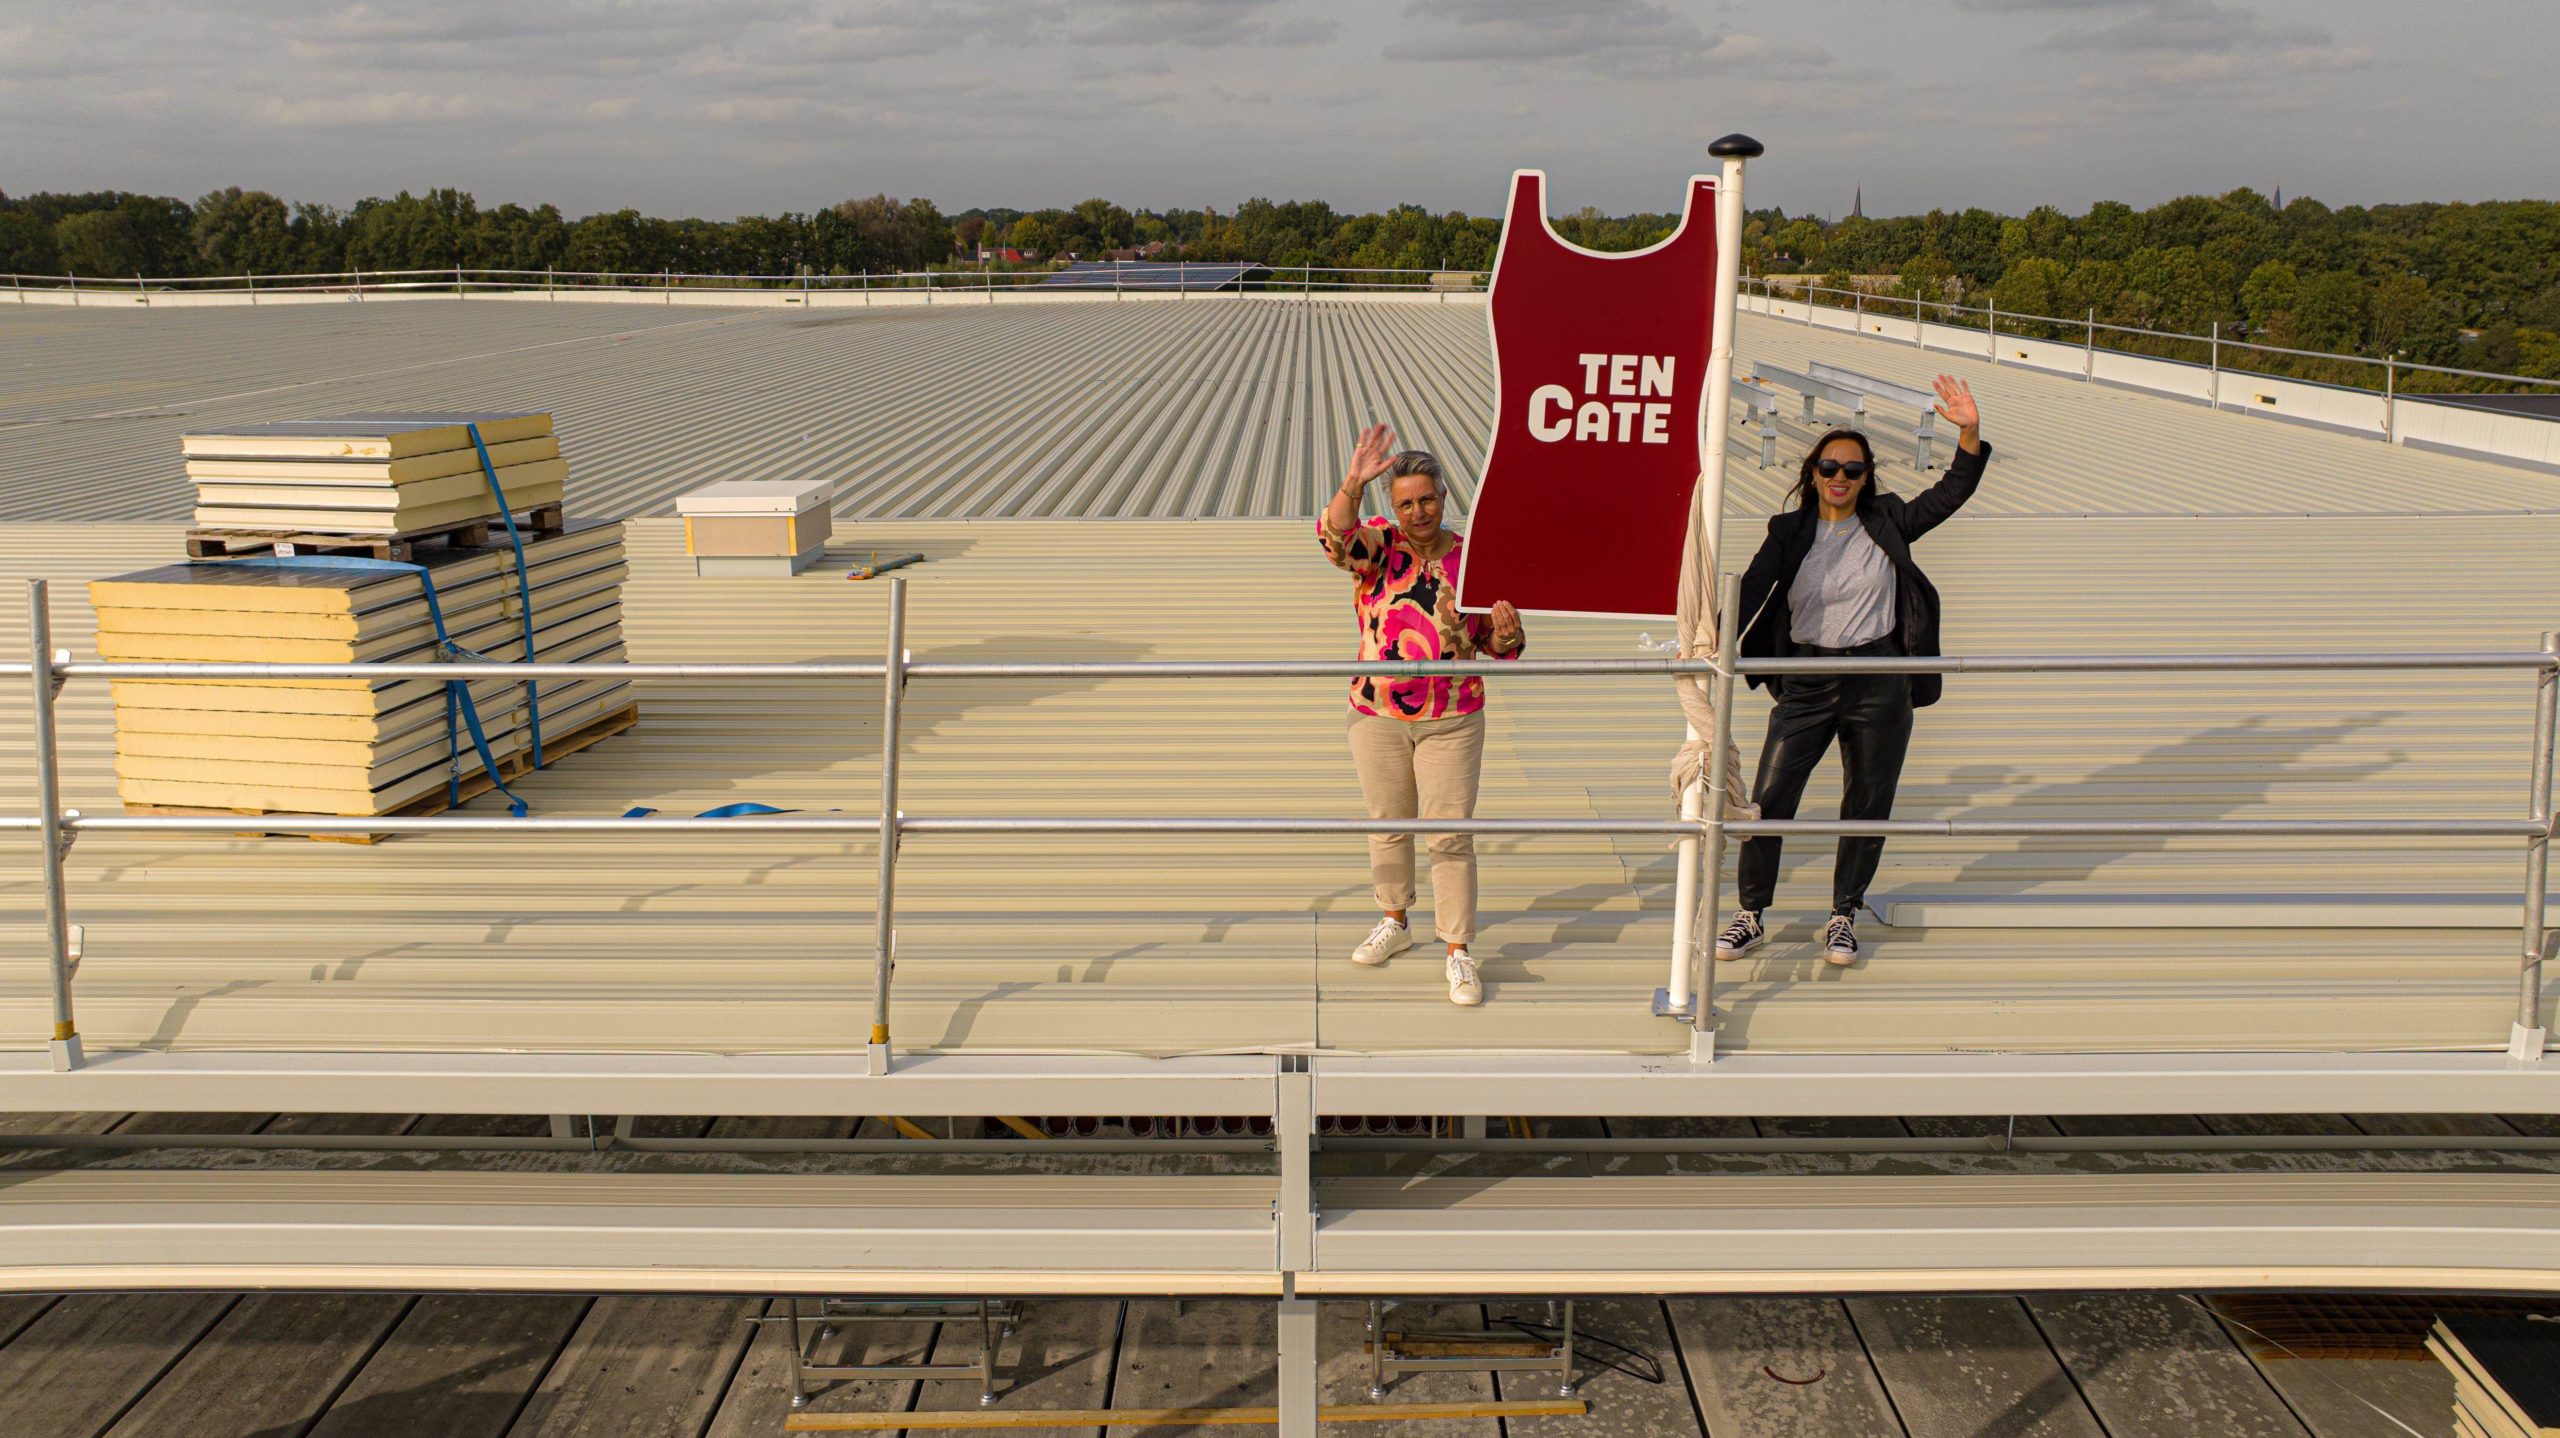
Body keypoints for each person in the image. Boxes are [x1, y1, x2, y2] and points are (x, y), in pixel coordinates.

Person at [1715, 375, 1988, 966]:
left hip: (1878, 681)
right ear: (1812, 472)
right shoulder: (1788, 531)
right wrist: (1711, 642)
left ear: (1867, 479)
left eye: (1853, 470)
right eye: (1830, 467)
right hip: (1807, 682)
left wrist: (1968, 432)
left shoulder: (1887, 520)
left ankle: (1842, 915)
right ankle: (1751, 914)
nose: (1841, 478)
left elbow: (1949, 494)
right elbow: (1755, 587)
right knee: (1768, 801)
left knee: (1867, 803)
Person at [1320, 424, 1526, 1006]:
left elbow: (1498, 644)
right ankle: (1396, 922)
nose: (1418, 511)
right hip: (1377, 713)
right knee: (1386, 823)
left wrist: (1508, 635)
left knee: (1450, 836)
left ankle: (1458, 951)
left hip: (1452, 717)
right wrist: (1353, 486)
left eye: (1427, 499)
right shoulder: (1380, 545)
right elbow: (1335, 540)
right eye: (1406, 502)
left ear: (1443, 496)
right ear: (1393, 506)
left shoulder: (1472, 557)